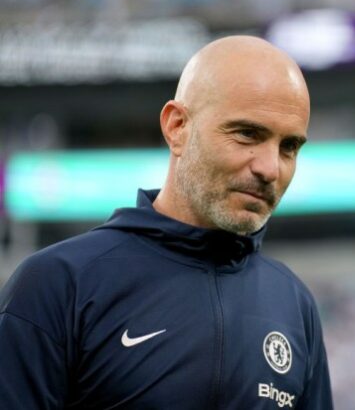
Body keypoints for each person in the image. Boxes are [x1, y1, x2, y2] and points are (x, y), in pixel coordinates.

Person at [0, 36, 333, 409]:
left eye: (289, 147)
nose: (270, 168)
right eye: (247, 134)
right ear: (177, 127)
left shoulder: (294, 303)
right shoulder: (59, 285)